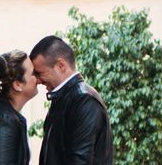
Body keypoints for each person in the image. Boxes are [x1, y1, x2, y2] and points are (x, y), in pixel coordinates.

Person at [30, 36, 113, 165]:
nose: (38, 80)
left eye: (39, 73)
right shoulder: (66, 97)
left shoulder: (84, 100)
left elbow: (80, 160)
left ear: (61, 65)